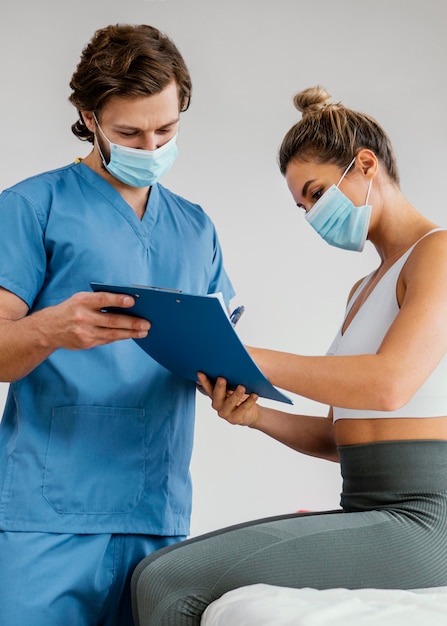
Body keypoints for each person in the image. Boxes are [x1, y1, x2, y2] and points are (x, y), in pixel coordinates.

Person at [130, 86, 447, 626]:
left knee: (166, 580)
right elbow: (336, 437)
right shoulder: (363, 291)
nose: (312, 215)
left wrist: (242, 353)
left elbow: (388, 385)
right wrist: (256, 416)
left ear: (365, 164)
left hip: (425, 520)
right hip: (370, 509)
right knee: (155, 570)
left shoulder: (437, 253)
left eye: (317, 193)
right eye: (303, 206)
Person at [0, 24, 234, 626]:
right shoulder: (32, 207)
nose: (151, 146)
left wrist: (233, 382)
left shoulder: (196, 226)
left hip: (157, 513)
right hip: (47, 516)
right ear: (90, 117)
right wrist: (51, 328)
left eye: (167, 129)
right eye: (130, 133)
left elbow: (221, 341)